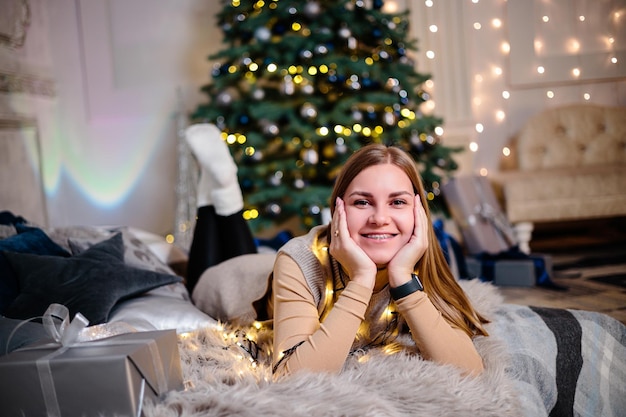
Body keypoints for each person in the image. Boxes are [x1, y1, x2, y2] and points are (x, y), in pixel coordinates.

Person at [270, 143, 489, 377]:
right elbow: (290, 377)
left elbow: (470, 372)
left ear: (418, 213)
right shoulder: (299, 260)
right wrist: (362, 279)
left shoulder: (419, 258)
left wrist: (404, 280)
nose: (380, 218)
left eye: (397, 202)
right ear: (338, 210)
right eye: (362, 202)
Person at [183, 123, 257, 294]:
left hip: (223, 300)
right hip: (253, 295)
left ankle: (215, 187)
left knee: (201, 289)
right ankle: (223, 187)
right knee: (252, 281)